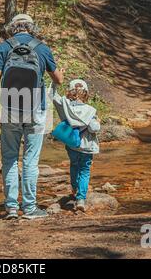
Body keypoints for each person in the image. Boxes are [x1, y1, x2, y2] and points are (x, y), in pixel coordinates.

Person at [0, 14, 64, 219]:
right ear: (31, 28)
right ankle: (30, 208)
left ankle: (11, 208)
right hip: (35, 110)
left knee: (9, 159)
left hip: (10, 110)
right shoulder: (42, 47)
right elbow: (58, 79)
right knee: (31, 161)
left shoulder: (4, 47)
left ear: (12, 28)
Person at [50, 78, 100, 212]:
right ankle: (81, 199)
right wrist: (96, 121)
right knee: (85, 170)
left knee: (74, 165)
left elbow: (52, 94)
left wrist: (55, 80)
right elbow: (94, 128)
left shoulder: (64, 105)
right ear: (86, 93)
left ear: (70, 92)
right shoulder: (90, 110)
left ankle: (74, 189)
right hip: (87, 146)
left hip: (72, 144)